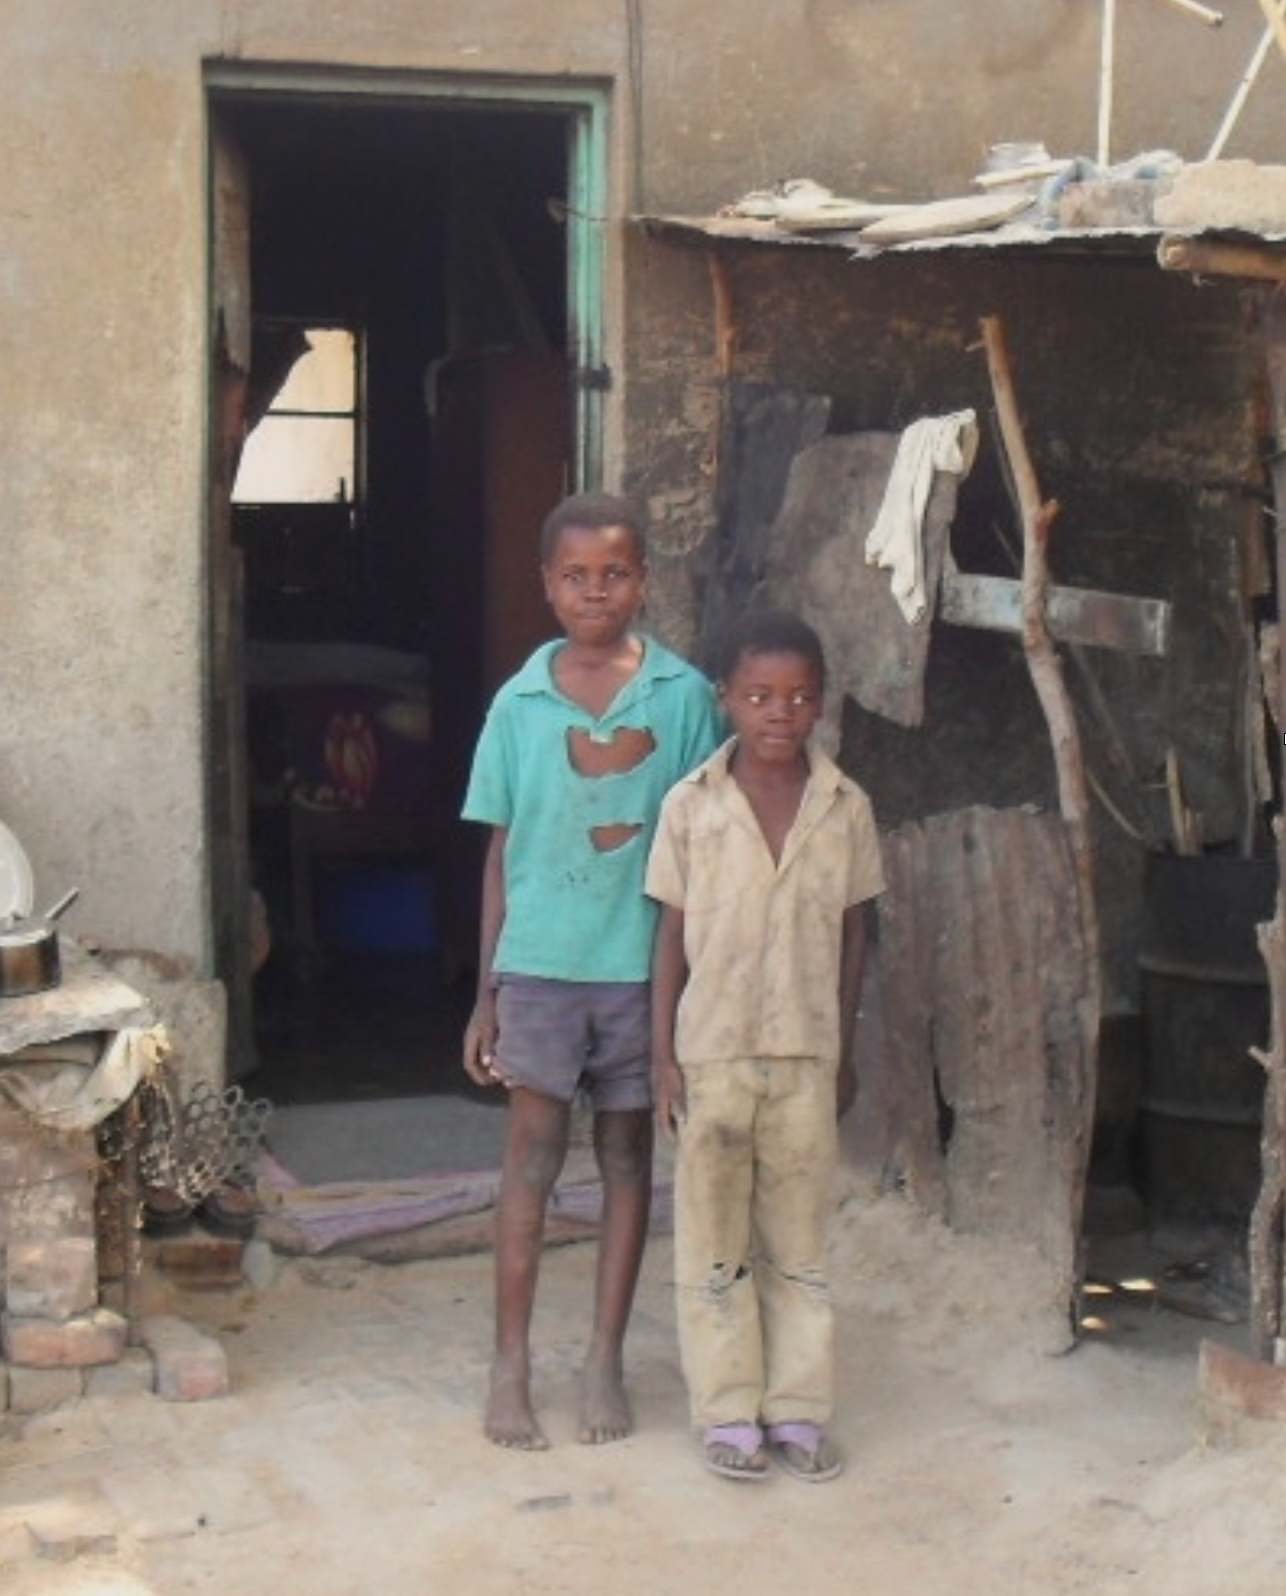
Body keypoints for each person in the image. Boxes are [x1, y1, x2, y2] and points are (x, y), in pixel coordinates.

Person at [460, 490, 724, 1451]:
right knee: (529, 1162)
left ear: (644, 581)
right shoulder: (519, 704)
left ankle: (604, 1359)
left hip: (640, 977)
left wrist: (692, 995)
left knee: (625, 1163)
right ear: (546, 586)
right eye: (574, 576)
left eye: (614, 574)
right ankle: (510, 1366)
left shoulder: (686, 699)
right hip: (536, 968)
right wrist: (485, 991)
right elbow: (500, 852)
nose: (595, 592)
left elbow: (703, 850)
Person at [646, 607, 885, 1483]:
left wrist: (846, 1047)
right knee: (713, 1245)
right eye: (758, 696)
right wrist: (663, 1055)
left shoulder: (846, 806)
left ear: (820, 704)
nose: (778, 713)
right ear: (726, 702)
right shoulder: (691, 807)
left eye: (797, 697)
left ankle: (796, 1411)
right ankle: (728, 1412)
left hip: (805, 1055)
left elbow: (857, 934)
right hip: (710, 1054)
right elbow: (668, 937)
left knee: (799, 1245)